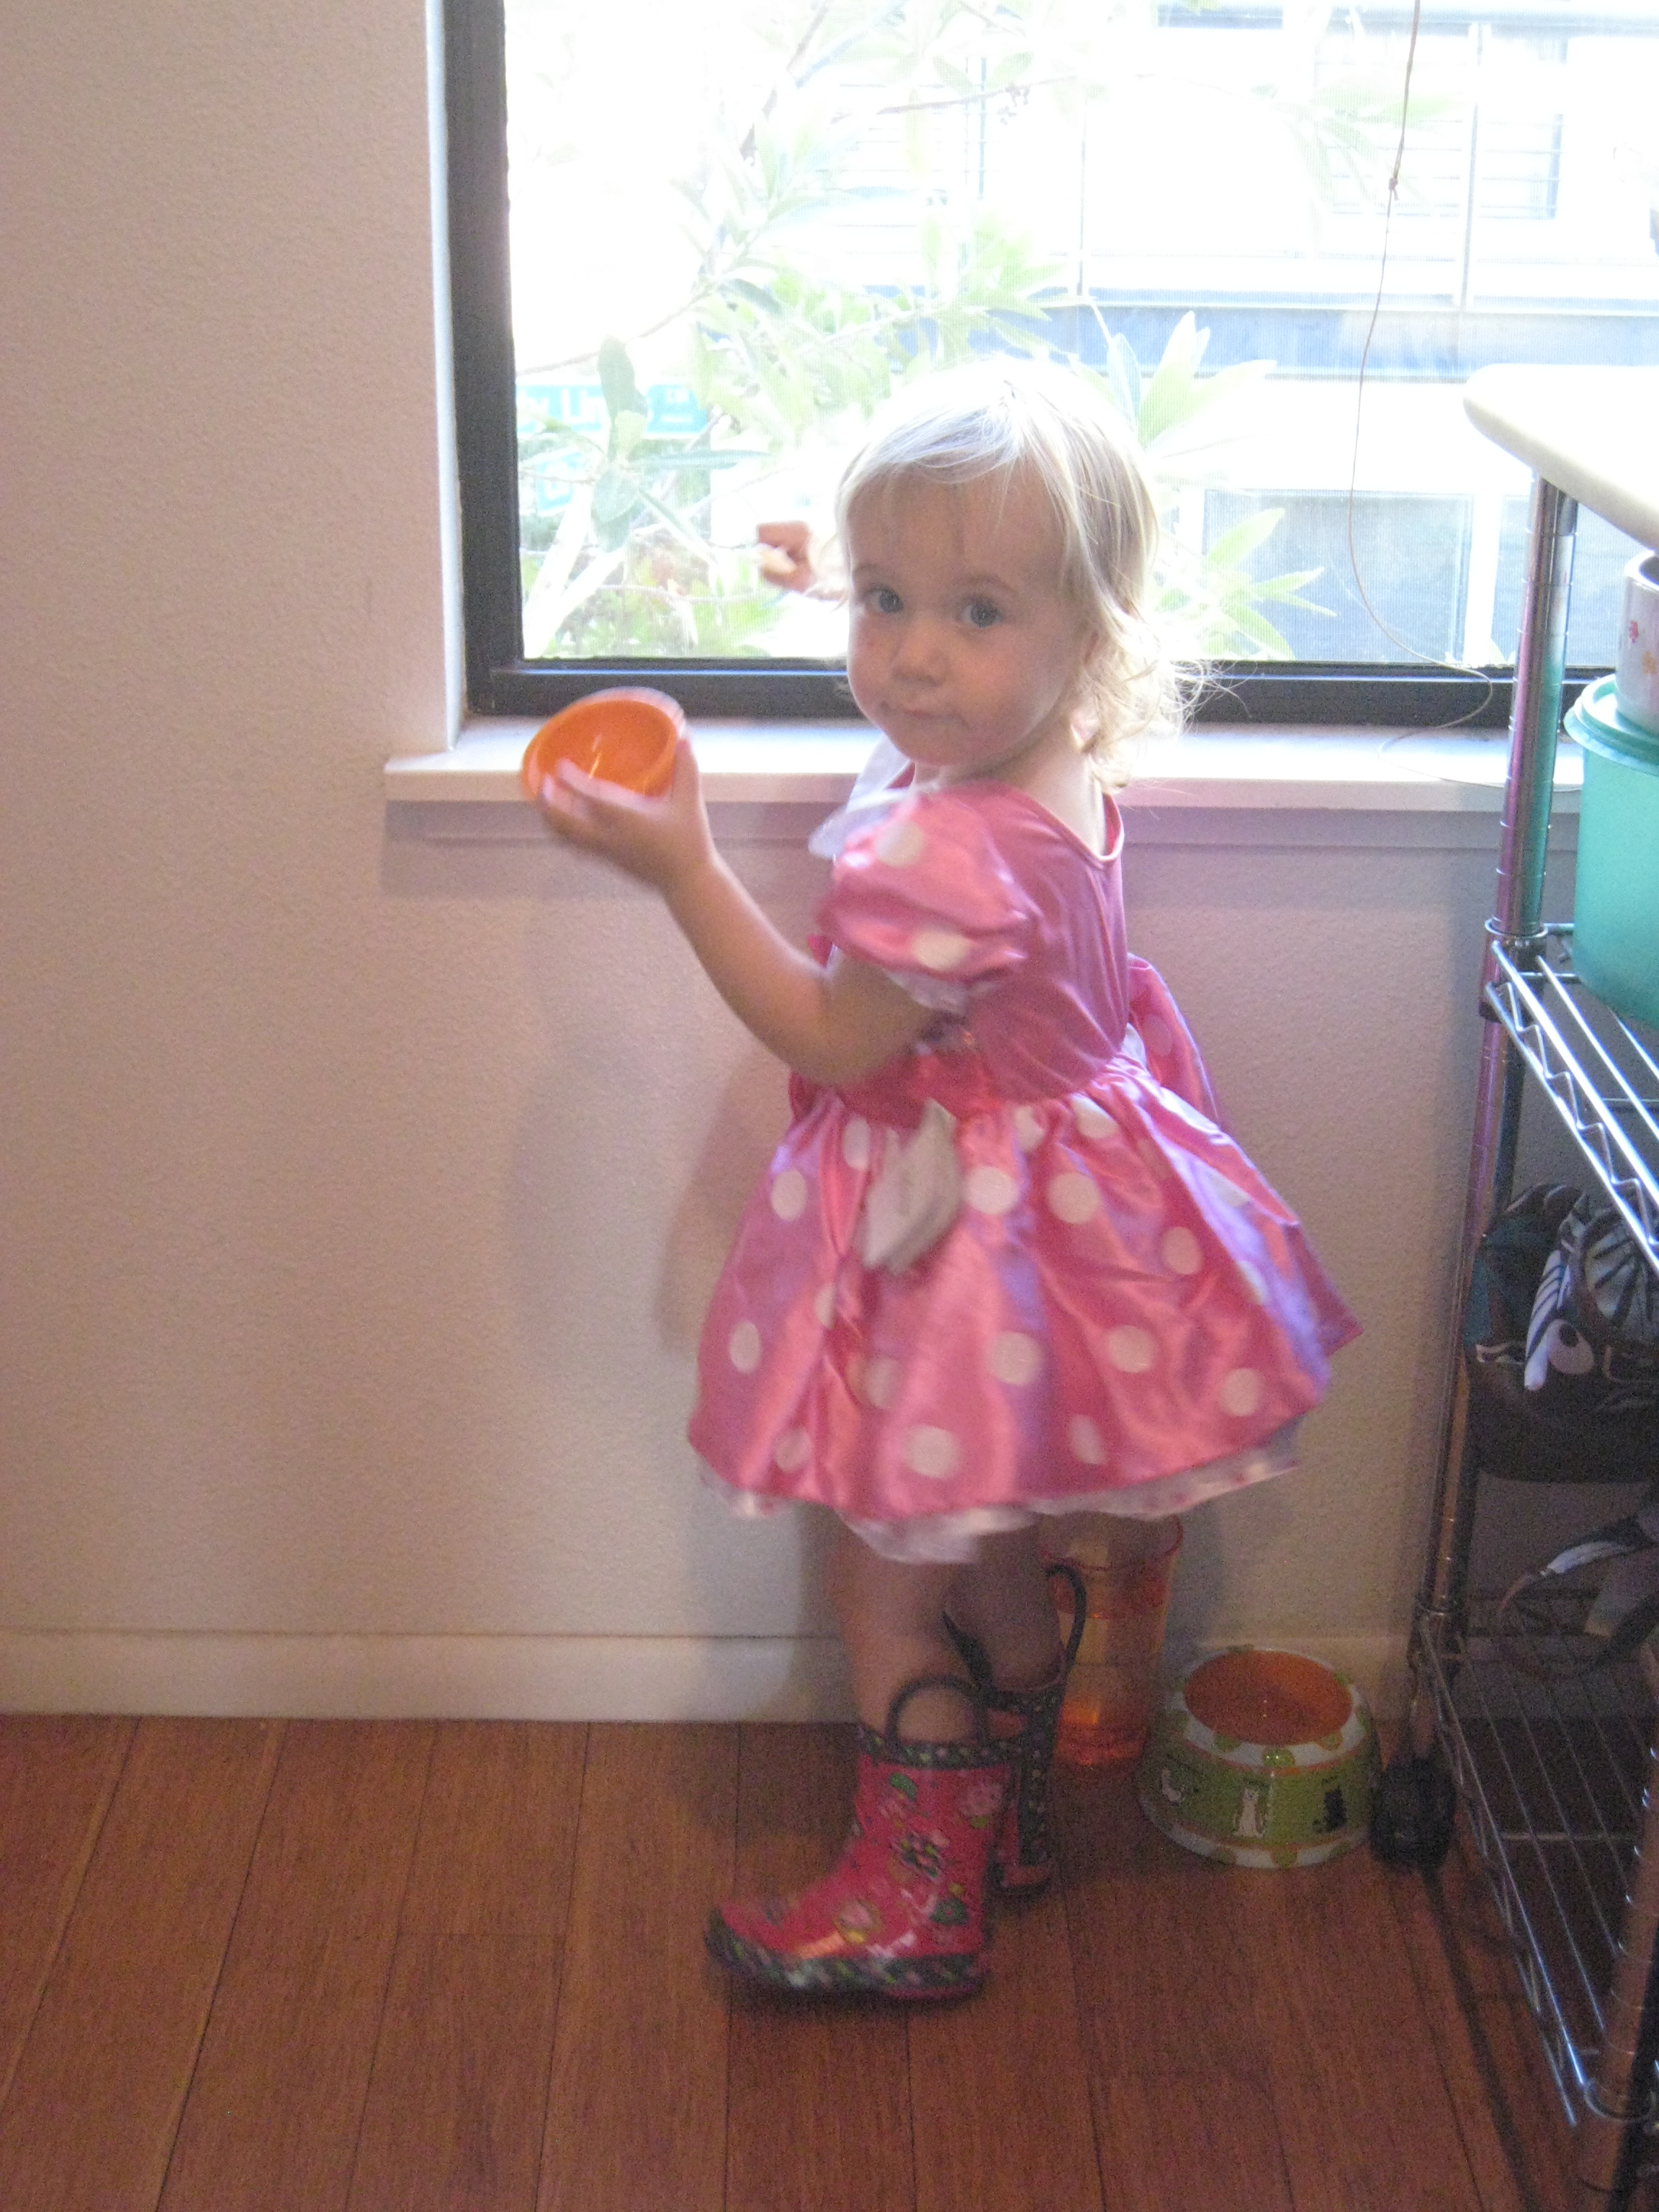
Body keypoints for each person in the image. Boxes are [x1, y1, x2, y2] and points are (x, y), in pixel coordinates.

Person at [535, 360, 1358, 2000]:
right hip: (1049, 1230)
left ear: (1088, 635)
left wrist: (685, 868)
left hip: (950, 1247)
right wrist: (861, 576)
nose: (911, 655)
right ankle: (1011, 1827)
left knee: (884, 1581)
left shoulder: (949, 853)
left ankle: (919, 1900)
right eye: (885, 600)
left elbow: (835, 1039)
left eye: (973, 611)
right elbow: (958, 668)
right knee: (988, 1537)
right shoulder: (1048, 763)